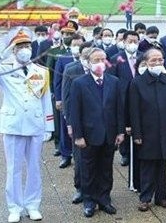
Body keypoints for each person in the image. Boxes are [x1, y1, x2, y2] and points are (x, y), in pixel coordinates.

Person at [0, 28, 54, 223]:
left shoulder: (41, 71)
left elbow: (46, 100)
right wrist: (2, 55)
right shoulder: (4, 69)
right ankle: (14, 207)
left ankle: (32, 205)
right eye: (20, 46)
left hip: (35, 124)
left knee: (34, 167)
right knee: (14, 168)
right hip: (13, 125)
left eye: (27, 45)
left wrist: (49, 127)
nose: (25, 49)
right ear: (13, 49)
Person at [69, 48, 125, 218]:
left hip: (109, 134)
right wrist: (78, 136)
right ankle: (89, 201)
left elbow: (119, 109)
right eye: (96, 60)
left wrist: (120, 132)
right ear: (89, 62)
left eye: (103, 59)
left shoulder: (114, 81)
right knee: (88, 169)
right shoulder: (79, 83)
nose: (100, 63)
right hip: (88, 136)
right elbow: (75, 112)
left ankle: (104, 199)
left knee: (106, 169)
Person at [129, 47, 166, 210]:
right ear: (146, 63)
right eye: (153, 60)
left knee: (162, 164)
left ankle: (161, 197)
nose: (158, 63)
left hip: (165, 129)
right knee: (147, 166)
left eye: (160, 60)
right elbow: (134, 110)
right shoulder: (138, 82)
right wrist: (136, 133)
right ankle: (145, 198)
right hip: (146, 131)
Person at [61, 45, 92, 205]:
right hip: (77, 121)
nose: (89, 59)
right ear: (80, 56)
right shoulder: (71, 69)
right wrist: (69, 123)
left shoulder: (102, 68)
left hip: (96, 121)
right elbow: (66, 98)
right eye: (86, 56)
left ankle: (97, 191)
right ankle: (80, 188)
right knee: (79, 158)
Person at [108, 30, 141, 168]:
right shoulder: (116, 59)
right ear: (124, 42)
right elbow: (111, 80)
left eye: (135, 41)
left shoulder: (143, 57)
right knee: (124, 124)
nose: (133, 44)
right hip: (122, 97)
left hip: (140, 97)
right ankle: (125, 153)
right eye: (130, 42)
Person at [53, 33, 85, 169]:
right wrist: (59, 99)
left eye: (79, 45)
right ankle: (65, 155)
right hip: (68, 99)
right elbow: (58, 81)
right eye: (74, 45)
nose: (77, 47)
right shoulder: (63, 59)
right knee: (66, 127)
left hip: (84, 101)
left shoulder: (90, 60)